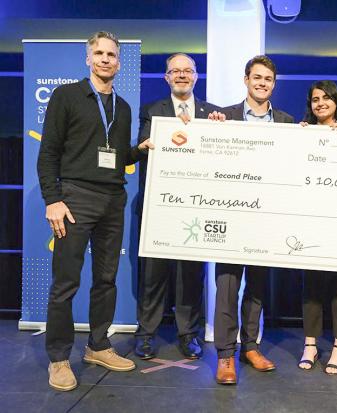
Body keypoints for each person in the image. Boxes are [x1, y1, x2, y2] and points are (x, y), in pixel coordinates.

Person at [37, 31, 153, 391]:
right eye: (99, 53)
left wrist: (142, 149)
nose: (105, 59)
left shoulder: (123, 106)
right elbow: (49, 153)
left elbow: (116, 159)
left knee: (106, 279)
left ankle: (98, 345)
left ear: (119, 62)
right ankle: (59, 358)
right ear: (88, 59)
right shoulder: (67, 95)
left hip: (112, 199)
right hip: (73, 199)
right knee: (66, 283)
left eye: (111, 54)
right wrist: (52, 200)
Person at [209, 55, 294, 385]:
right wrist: (210, 131)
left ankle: (250, 346)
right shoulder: (224, 117)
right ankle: (225, 354)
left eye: (268, 79)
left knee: (258, 285)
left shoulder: (287, 121)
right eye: (256, 77)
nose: (262, 83)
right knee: (227, 286)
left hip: (267, 216)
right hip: (231, 214)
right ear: (246, 80)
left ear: (274, 84)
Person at [134, 53, 220, 360]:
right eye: (175, 71)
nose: (181, 75)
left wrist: (218, 129)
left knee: (190, 275)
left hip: (196, 208)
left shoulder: (213, 114)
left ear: (196, 76)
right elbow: (143, 148)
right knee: (153, 275)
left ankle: (188, 335)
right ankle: (146, 334)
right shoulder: (152, 110)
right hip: (160, 207)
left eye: (187, 71)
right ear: (166, 77)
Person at [297, 80, 337, 375]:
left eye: (326, 98)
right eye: (315, 99)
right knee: (312, 286)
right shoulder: (301, 133)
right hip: (310, 220)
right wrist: (297, 140)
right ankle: (310, 344)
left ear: (336, 101)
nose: (320, 103)